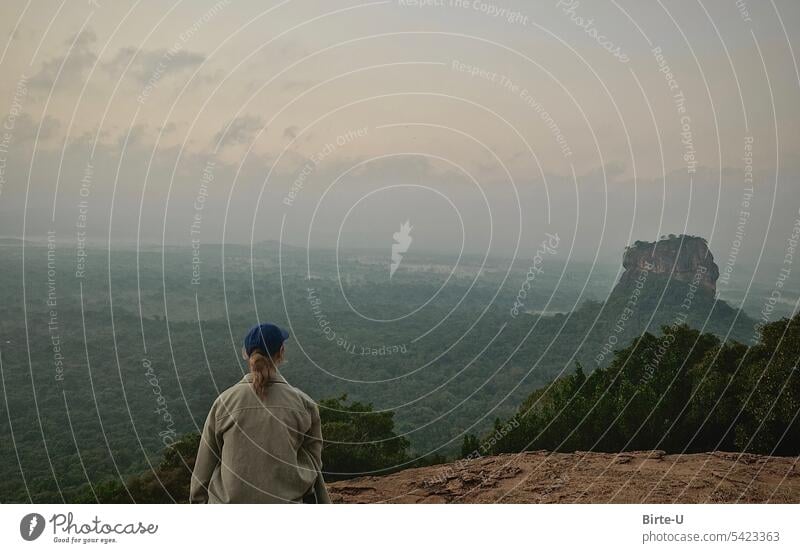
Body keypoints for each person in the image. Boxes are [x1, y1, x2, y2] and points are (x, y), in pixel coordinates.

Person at [190, 322, 330, 503]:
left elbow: (202, 470)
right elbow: (313, 465)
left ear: (245, 354)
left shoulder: (224, 403)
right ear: (281, 352)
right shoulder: (304, 405)